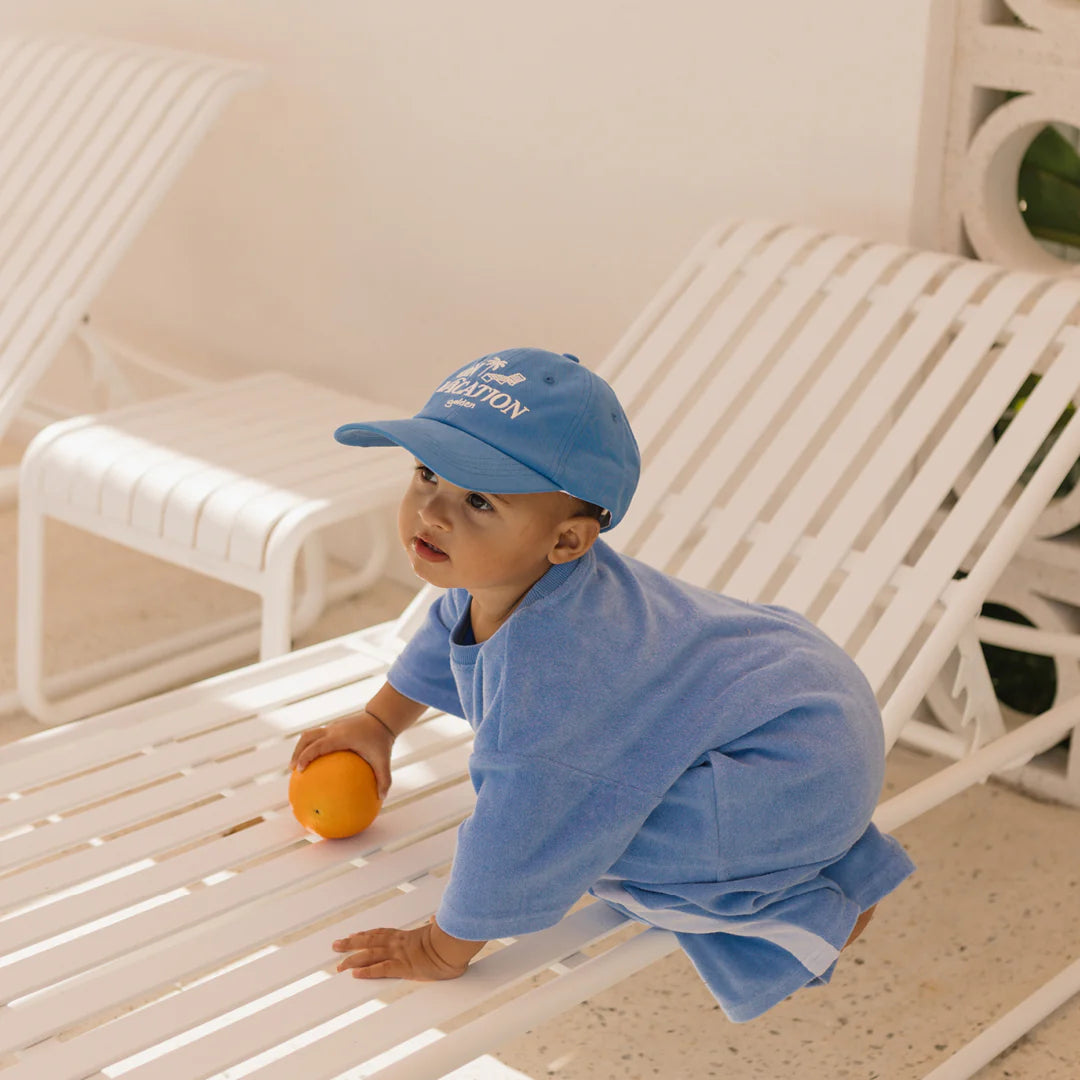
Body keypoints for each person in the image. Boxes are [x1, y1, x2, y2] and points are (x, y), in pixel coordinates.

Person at [289, 348, 915, 1023]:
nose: (432, 514)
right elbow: (450, 627)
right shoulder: (514, 575)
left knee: (595, 847)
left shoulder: (548, 678)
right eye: (425, 475)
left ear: (568, 541)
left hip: (789, 762)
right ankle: (832, 846)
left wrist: (444, 948)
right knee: (609, 799)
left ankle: (793, 911)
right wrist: (379, 723)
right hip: (800, 708)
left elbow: (522, 831)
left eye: (478, 500)